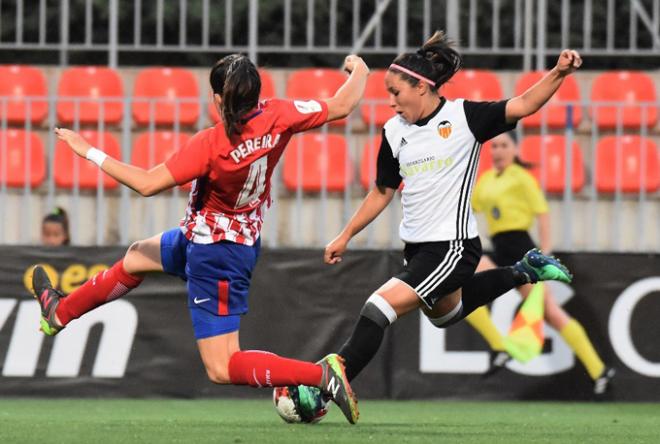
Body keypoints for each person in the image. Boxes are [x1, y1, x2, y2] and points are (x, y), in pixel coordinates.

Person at [32, 53, 369, 424]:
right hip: (213, 236)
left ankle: (323, 375)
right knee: (136, 257)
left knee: (222, 367)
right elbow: (342, 104)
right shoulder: (279, 114)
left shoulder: (212, 144)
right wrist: (361, 70)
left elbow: (147, 184)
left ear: (219, 100)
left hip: (216, 253)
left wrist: (89, 151)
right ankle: (59, 312)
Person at [324, 31, 577, 384]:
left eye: (396, 93)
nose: (392, 103)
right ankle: (524, 271)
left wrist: (558, 73)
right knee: (446, 315)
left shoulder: (465, 118)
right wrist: (345, 234)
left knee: (378, 307)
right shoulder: (394, 131)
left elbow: (523, 105)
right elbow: (382, 191)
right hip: (416, 247)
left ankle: (330, 385)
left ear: (422, 88)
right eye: (388, 95)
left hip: (453, 246)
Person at [468, 130, 615, 394]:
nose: (498, 150)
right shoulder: (486, 179)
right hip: (498, 249)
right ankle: (499, 346)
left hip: (522, 250)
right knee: (462, 285)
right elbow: (469, 208)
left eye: (504, 145)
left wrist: (544, 254)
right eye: (494, 146)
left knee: (551, 313)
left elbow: (543, 215)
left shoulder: (522, 179)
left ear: (515, 150)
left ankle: (599, 370)